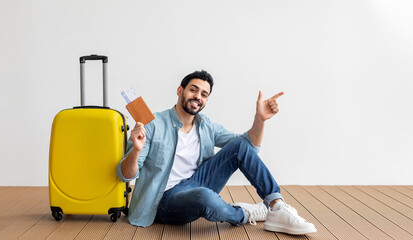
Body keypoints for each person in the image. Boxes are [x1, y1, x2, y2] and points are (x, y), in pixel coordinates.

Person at [116, 70, 317, 235]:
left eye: (204, 94)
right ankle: (244, 213)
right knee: (205, 197)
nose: (198, 97)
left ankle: (276, 205)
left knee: (238, 146)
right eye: (193, 90)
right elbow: (125, 174)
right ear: (180, 90)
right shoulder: (153, 125)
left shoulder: (206, 126)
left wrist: (260, 119)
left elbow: (248, 147)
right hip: (163, 200)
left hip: (196, 182)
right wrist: (136, 150)